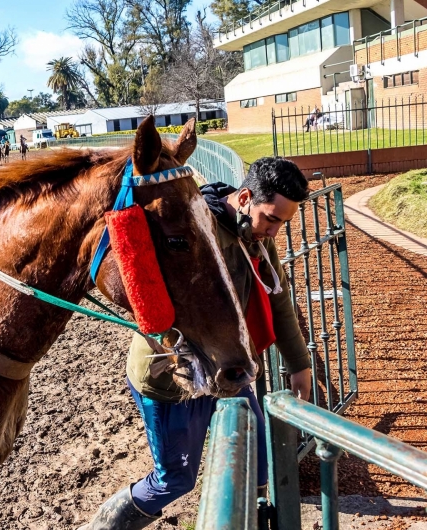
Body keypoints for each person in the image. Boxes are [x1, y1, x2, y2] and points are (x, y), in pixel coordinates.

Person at [80, 157, 313, 529]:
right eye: (271, 218)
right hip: (172, 377)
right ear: (247, 196)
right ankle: (104, 525)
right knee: (174, 481)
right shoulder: (195, 233)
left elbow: (279, 300)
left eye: (283, 223)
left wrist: (300, 366)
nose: (274, 231)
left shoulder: (256, 240)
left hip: (227, 369)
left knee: (258, 461)